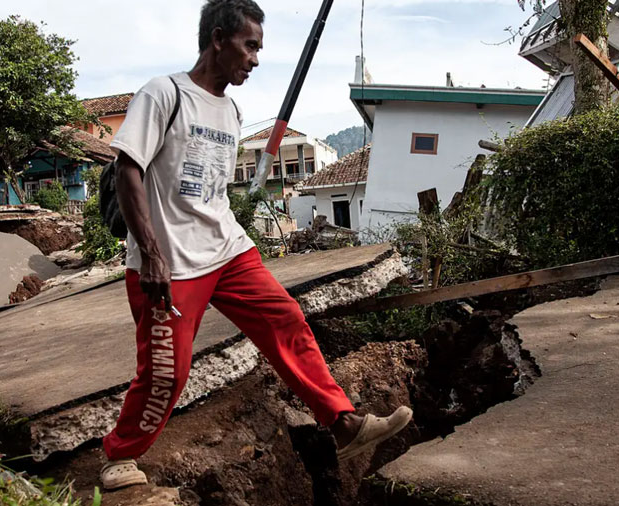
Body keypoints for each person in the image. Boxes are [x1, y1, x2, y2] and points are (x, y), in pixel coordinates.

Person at [99, 0, 413, 491]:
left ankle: (343, 424)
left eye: (259, 49)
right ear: (218, 39)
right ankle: (120, 456)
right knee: (168, 373)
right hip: (169, 263)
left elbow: (214, 192)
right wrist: (152, 254)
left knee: (286, 321)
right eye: (249, 46)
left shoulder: (231, 111)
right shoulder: (163, 94)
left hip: (227, 251)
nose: (255, 59)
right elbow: (127, 169)